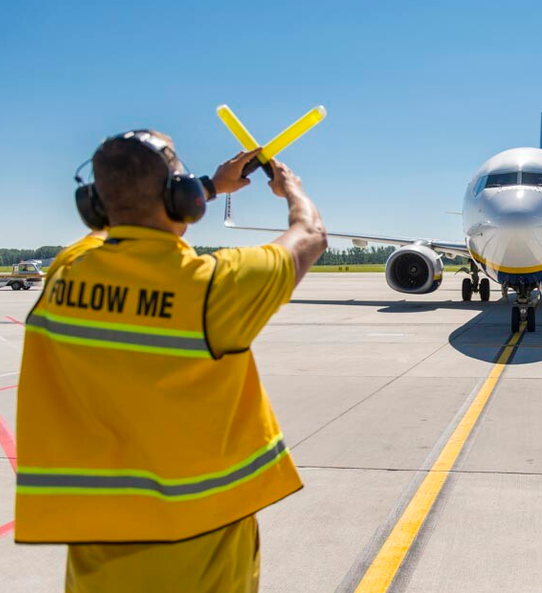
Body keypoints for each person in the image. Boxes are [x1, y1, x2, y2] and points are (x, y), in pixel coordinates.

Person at [15, 129, 327, 592]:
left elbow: (117, 226)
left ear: (94, 205)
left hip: (98, 546)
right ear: (182, 198)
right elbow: (311, 234)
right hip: (200, 546)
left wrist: (207, 186)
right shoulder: (211, 287)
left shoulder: (67, 270)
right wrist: (291, 187)